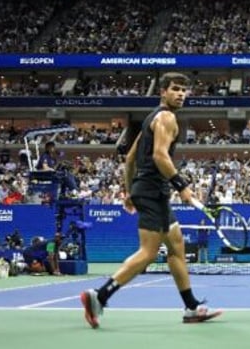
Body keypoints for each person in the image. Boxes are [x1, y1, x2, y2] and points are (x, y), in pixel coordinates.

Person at [80, 72, 221, 328]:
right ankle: (99, 297)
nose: (180, 94)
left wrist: (130, 192)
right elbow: (159, 156)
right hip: (155, 190)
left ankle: (191, 307)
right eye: (175, 89)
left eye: (184, 90)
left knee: (176, 246)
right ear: (163, 92)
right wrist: (182, 186)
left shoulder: (150, 119)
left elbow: (130, 159)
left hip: (149, 190)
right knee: (148, 252)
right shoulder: (167, 117)